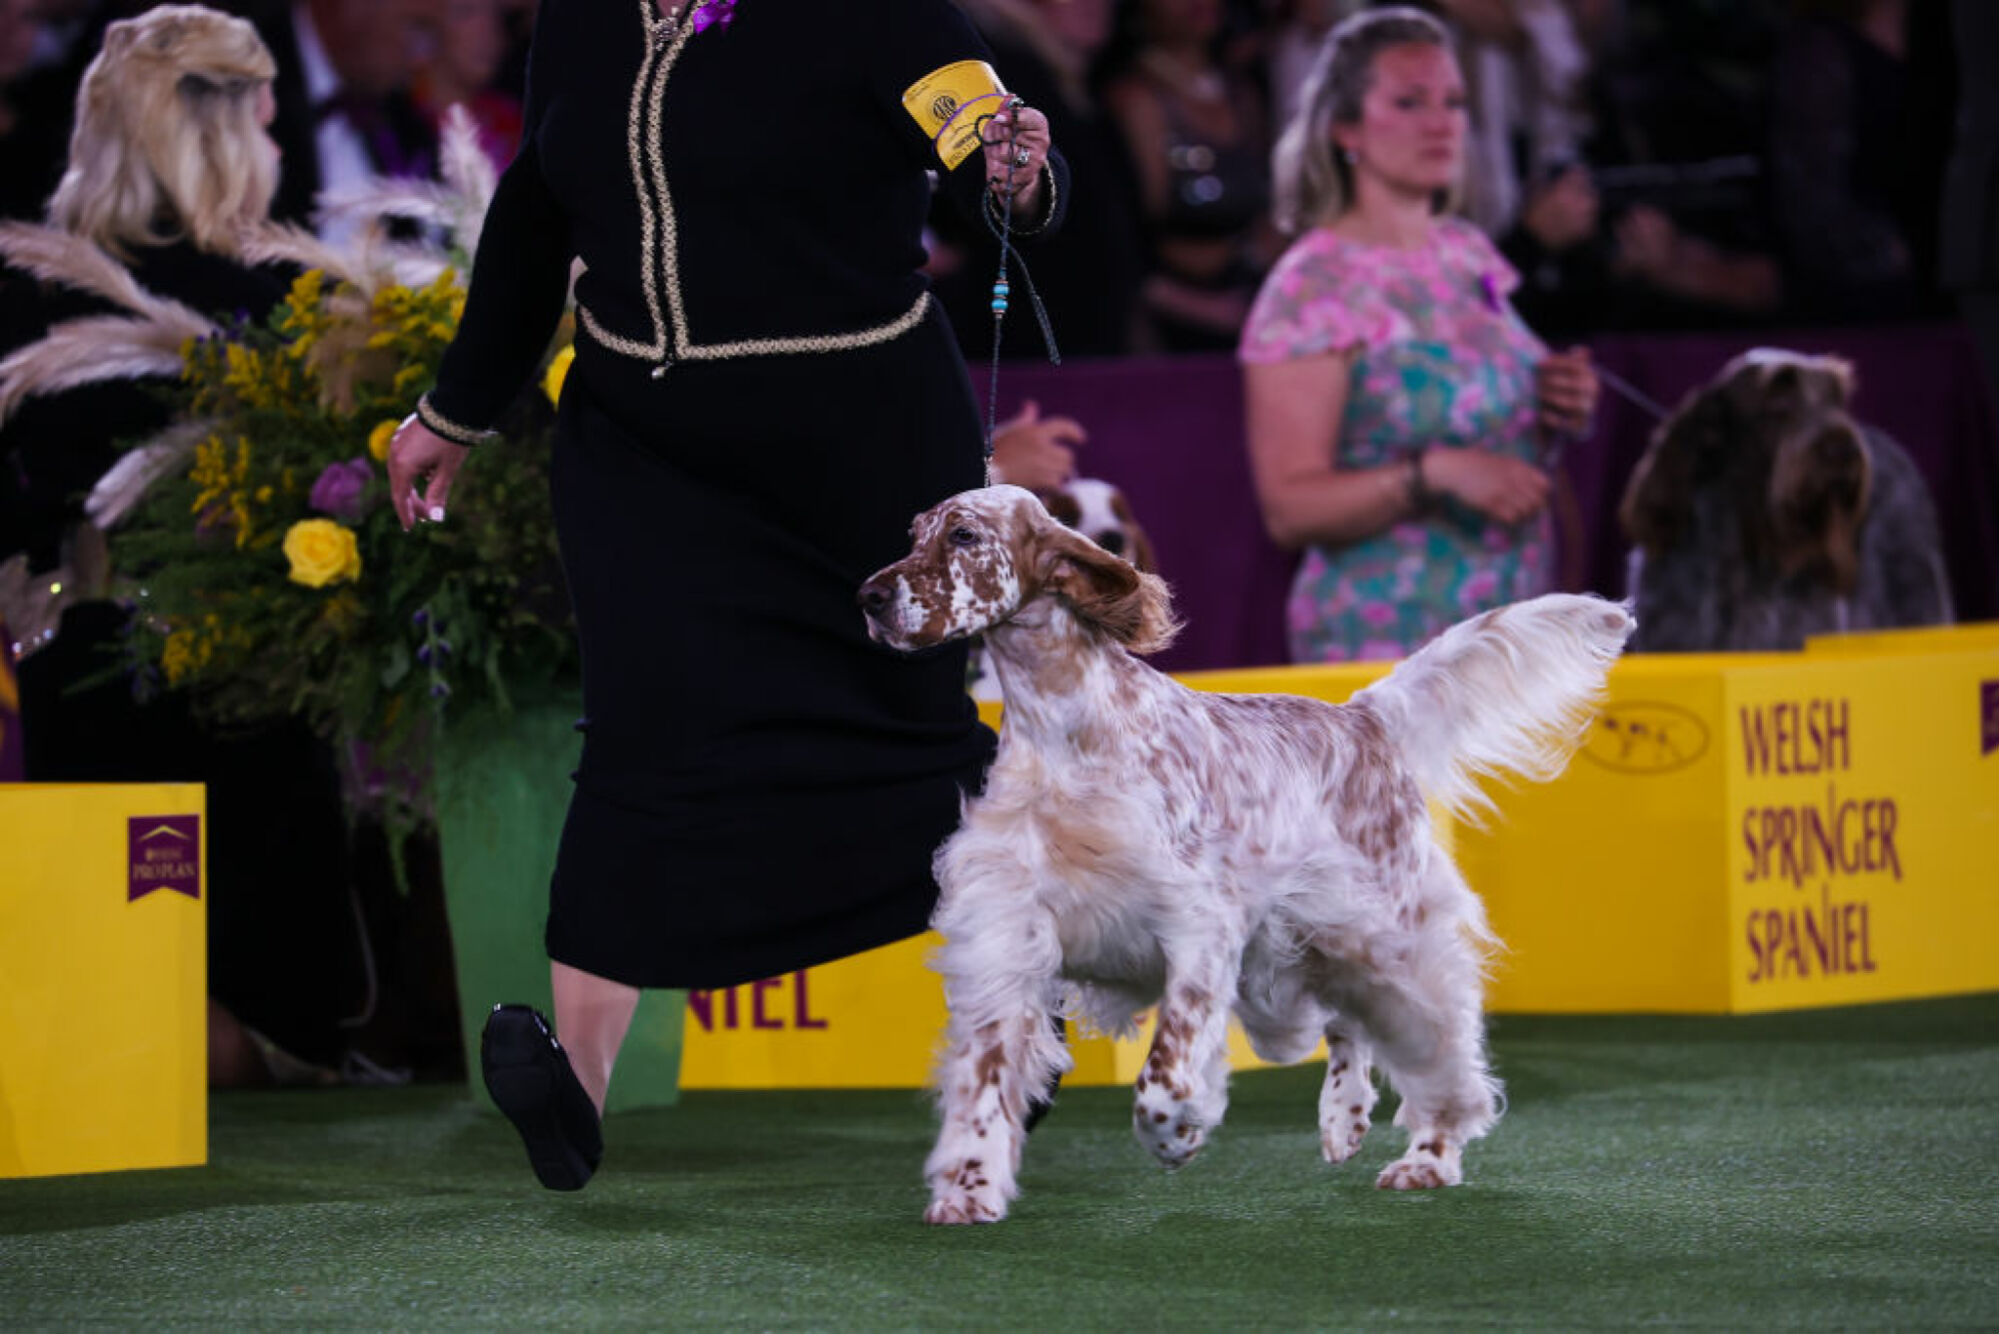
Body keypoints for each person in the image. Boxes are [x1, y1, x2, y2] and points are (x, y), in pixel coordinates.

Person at [384, 0, 1068, 1190]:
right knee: (644, 734)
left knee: (908, 739)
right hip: (644, 451)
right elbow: (540, 205)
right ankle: (575, 1092)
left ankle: (1019, 1026)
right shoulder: (583, 16)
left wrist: (1012, 170)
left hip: (859, 442)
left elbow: (977, 141)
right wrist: (455, 408)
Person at [0, 3, 366, 1083]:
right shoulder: (294, 301)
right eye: (267, 119)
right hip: (252, 691)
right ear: (232, 126)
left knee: (119, 1015)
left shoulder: (26, 291)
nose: (279, 142)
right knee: (293, 1011)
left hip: (83, 682)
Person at [1238, 5, 1597, 664]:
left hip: (1510, 635)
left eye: (1453, 102)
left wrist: (1554, 400)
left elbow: (1498, 419)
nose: (1441, 123)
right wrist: (1431, 475)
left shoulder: (1466, 252)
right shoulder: (1311, 286)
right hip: (1387, 650)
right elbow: (1289, 508)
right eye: (1409, 102)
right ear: (1346, 126)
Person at [1101, 0, 1276, 352]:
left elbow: (1267, 213)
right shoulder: (1134, 99)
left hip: (1250, 314)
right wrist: (1192, 304)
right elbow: (1119, 234)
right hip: (1168, 325)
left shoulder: (1243, 92)